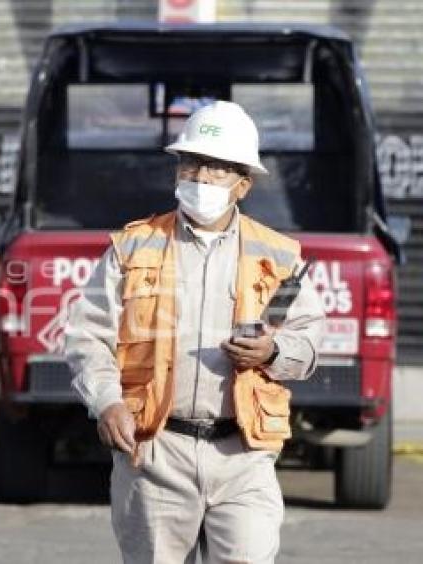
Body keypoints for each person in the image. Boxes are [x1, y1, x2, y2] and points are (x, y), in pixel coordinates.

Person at [65, 101, 326, 563]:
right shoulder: (133, 247)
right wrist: (106, 401)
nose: (202, 177)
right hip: (155, 453)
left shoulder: (278, 256)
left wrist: (271, 351)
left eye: (219, 168)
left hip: (243, 456)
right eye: (192, 162)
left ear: (243, 184)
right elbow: (88, 335)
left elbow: (308, 342)